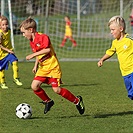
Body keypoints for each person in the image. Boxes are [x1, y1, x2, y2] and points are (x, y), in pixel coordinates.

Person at [19, 17, 85, 115]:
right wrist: (35, 65)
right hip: (43, 68)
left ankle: (77, 101)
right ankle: (48, 101)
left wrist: (32, 55)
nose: (23, 35)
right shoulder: (32, 41)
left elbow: (47, 50)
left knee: (56, 90)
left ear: (30, 30)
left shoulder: (43, 37)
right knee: (34, 86)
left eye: (24, 32)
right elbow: (38, 53)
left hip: (53, 67)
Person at [97, 16, 133, 100]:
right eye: (110, 30)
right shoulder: (115, 42)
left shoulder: (129, 40)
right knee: (131, 95)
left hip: (132, 71)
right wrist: (102, 59)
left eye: (113, 30)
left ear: (121, 29)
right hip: (125, 73)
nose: (111, 32)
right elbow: (110, 52)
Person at [0, 15, 22, 89]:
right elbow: (0, 46)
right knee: (1, 70)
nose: (5, 26)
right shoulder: (0, 34)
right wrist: (8, 50)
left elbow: (19, 28)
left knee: (15, 61)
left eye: (6, 24)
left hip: (9, 53)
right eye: (3, 25)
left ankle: (16, 78)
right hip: (1, 54)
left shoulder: (9, 30)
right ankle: (3, 83)